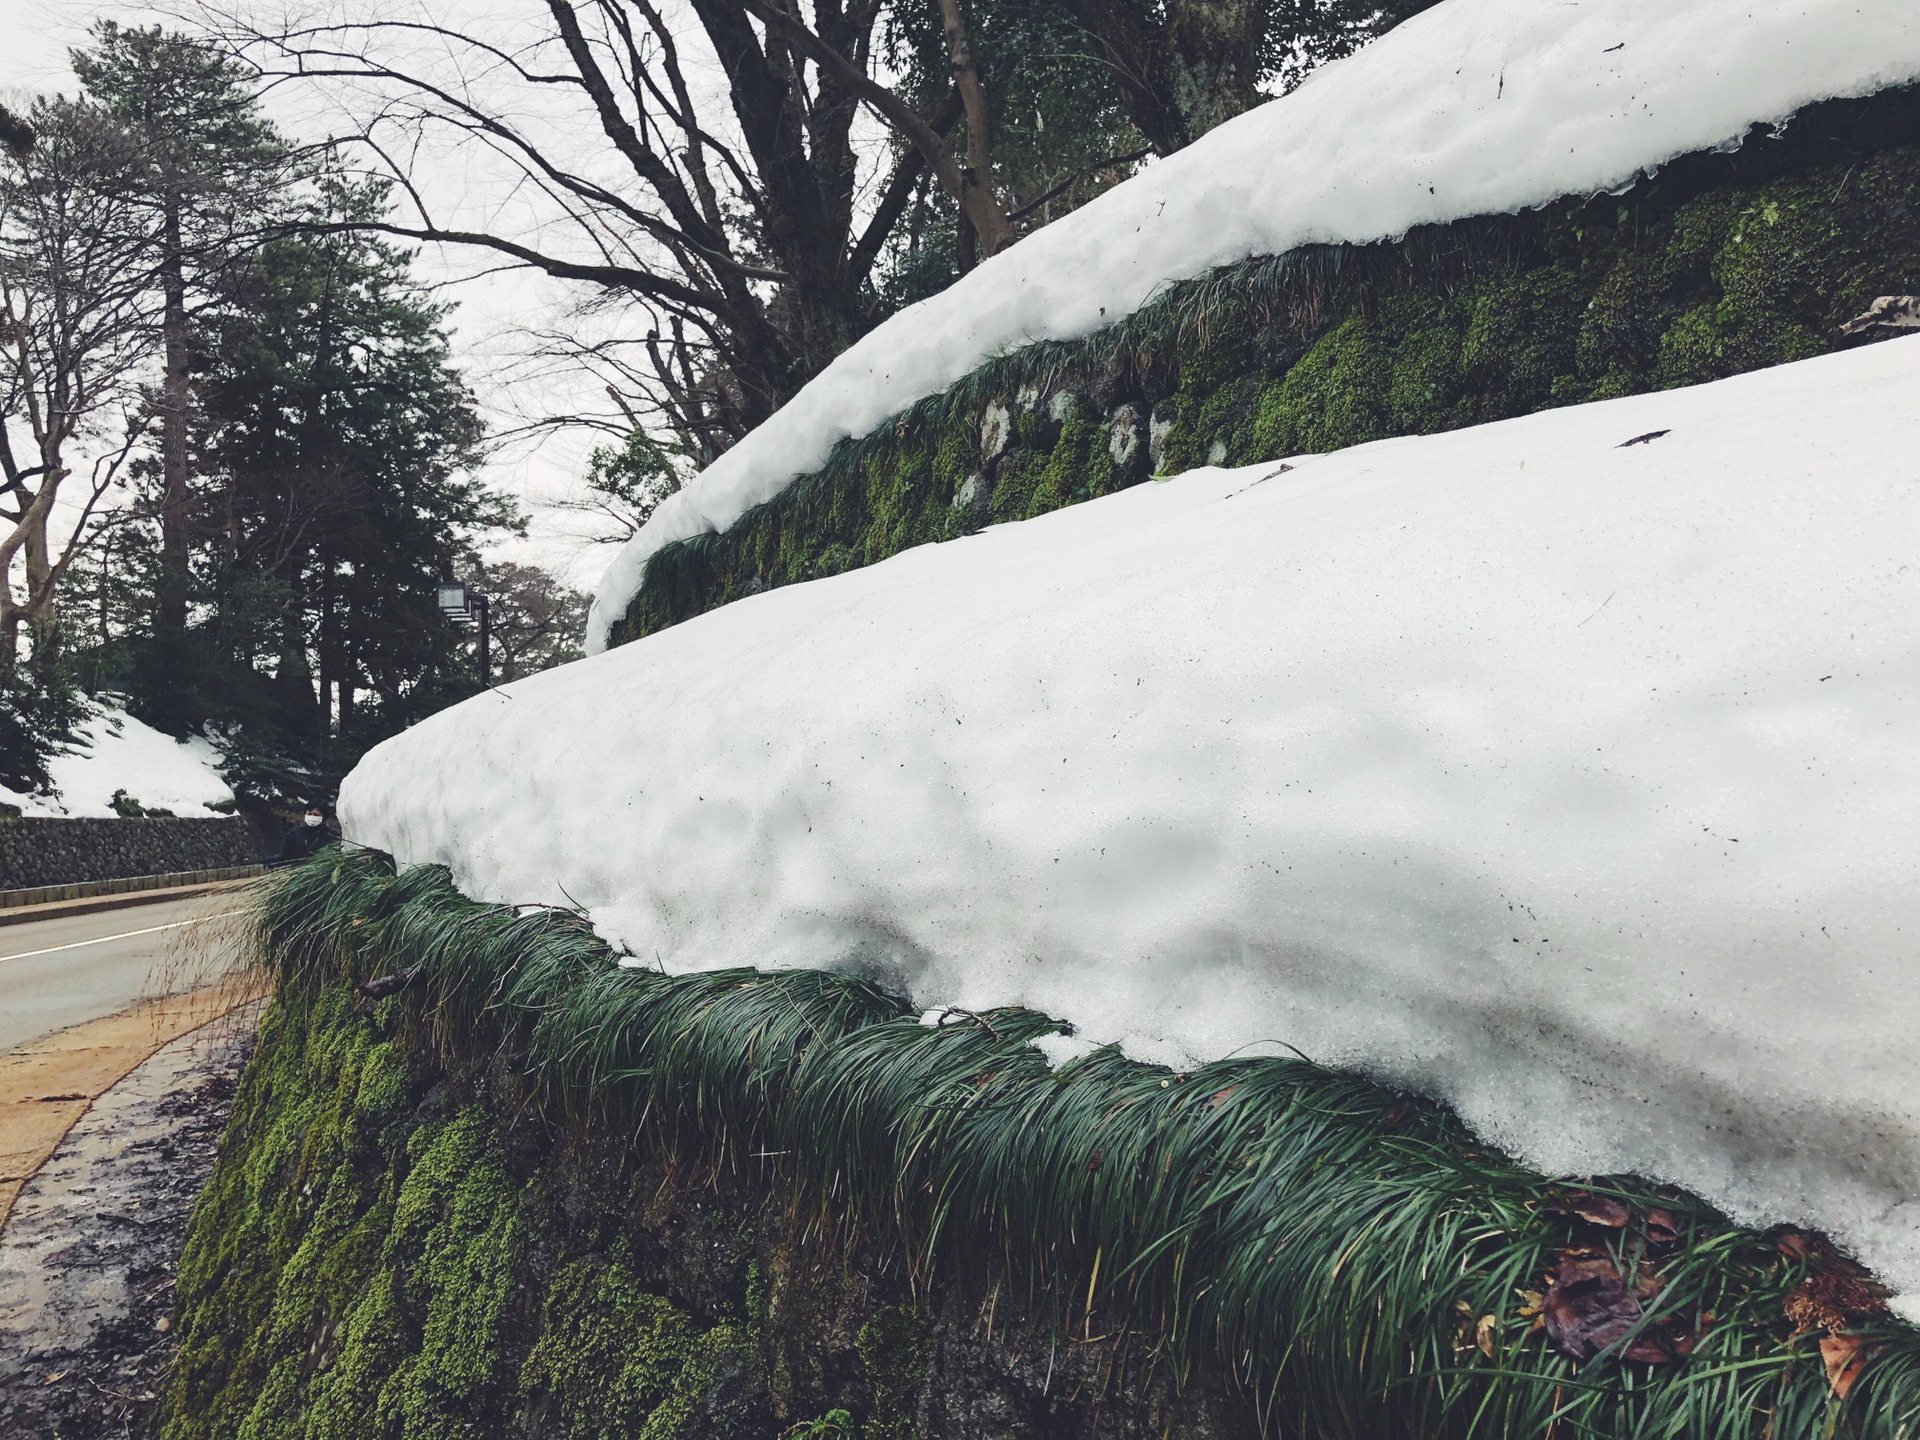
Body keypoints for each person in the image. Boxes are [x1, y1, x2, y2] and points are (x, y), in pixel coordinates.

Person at [270, 804, 337, 867]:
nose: (312, 817)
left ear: (324, 817)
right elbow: (285, 855)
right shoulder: (294, 833)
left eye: (316, 815)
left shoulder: (331, 835)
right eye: (309, 814)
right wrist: (268, 862)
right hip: (296, 874)